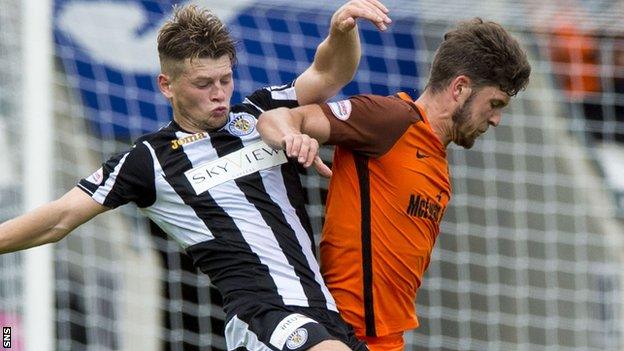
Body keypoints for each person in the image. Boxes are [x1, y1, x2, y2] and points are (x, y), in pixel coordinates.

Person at [0, 2, 393, 350]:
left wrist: (342, 31)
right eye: (203, 84)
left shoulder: (261, 113)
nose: (219, 94)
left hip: (323, 312)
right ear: (166, 86)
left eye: (225, 80)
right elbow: (58, 219)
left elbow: (328, 74)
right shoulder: (147, 160)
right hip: (262, 317)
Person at [256, 18, 531, 350]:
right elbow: (277, 117)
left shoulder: (439, 165)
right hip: (344, 333)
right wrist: (294, 138)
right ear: (459, 88)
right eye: (495, 104)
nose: (496, 119)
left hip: (388, 341)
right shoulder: (389, 119)